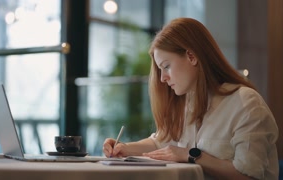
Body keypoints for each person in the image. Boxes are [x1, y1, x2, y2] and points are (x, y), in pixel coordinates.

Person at [102, 17, 279, 179]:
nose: (163, 78)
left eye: (166, 66)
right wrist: (124, 148)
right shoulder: (185, 102)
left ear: (192, 56)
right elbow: (160, 142)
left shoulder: (246, 104)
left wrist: (191, 155)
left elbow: (249, 176)